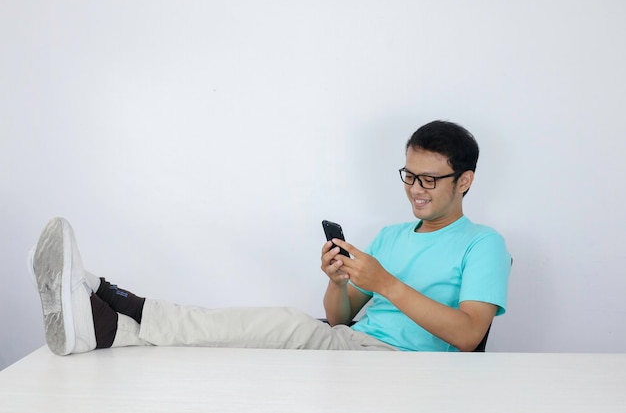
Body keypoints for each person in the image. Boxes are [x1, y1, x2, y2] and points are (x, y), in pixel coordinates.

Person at [28, 120, 511, 356]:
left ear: (464, 181)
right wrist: (339, 281)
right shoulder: (391, 235)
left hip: (402, 366)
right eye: (409, 175)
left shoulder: (483, 243)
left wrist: (386, 284)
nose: (415, 190)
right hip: (349, 345)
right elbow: (341, 316)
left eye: (429, 179)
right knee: (257, 333)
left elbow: (470, 335)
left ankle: (115, 302)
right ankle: (109, 326)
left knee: (276, 322)